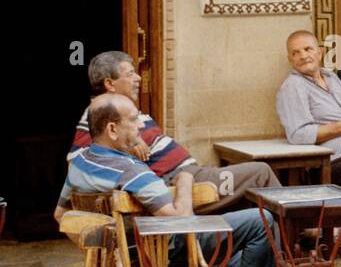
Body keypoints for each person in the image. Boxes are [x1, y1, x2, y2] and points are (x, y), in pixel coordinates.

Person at [58, 94, 280, 267]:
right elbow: (180, 223)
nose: (142, 125)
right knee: (261, 221)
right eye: (133, 119)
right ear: (112, 129)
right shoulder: (132, 172)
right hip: (160, 256)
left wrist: (101, 252)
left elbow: (61, 215)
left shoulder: (78, 164)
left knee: (244, 251)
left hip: (126, 257)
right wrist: (185, 178)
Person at [66, 51, 280, 214]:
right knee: (260, 173)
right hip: (178, 183)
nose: (139, 78)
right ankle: (300, 244)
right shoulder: (97, 115)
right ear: (109, 84)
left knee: (252, 199)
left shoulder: (123, 111)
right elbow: (78, 160)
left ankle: (276, 252)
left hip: (188, 176)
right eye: (130, 74)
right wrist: (130, 149)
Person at [275, 30, 341, 195]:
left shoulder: (331, 77)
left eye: (308, 49)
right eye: (296, 52)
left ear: (319, 53)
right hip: (332, 166)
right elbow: (298, 134)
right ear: (290, 59)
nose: (303, 55)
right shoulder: (293, 86)